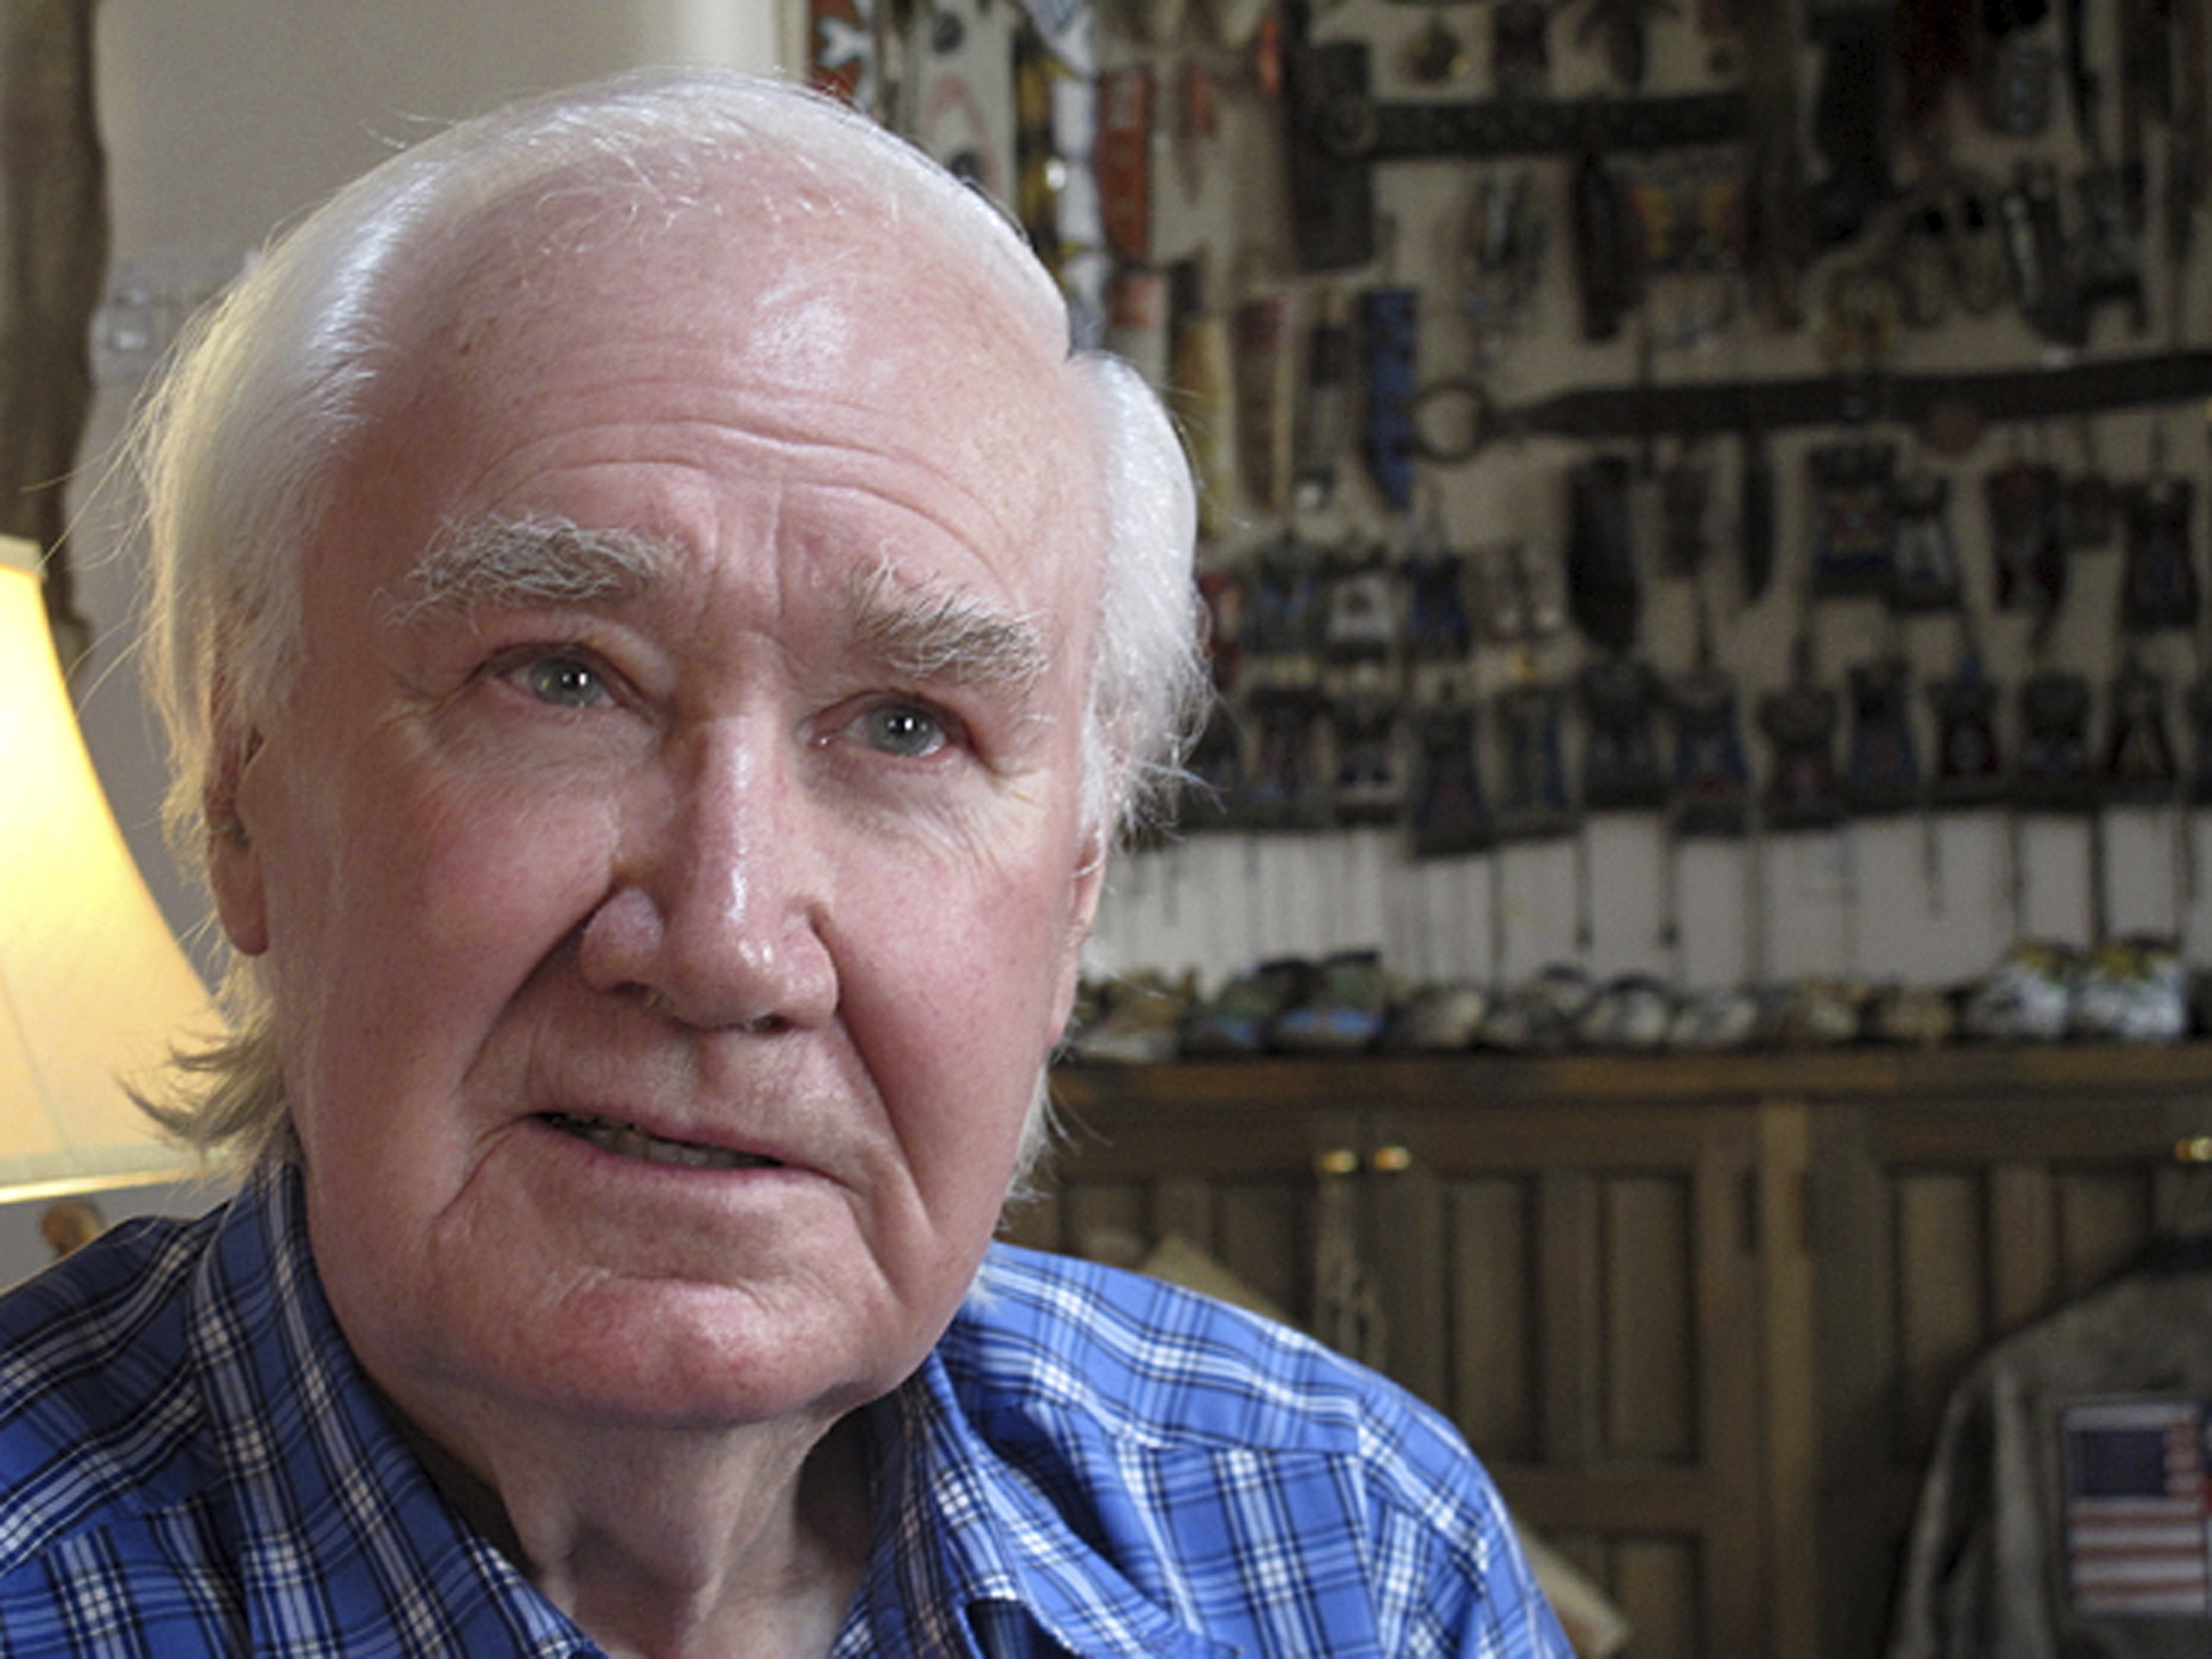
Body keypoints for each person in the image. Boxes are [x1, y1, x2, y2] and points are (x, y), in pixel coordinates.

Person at [0, 69, 1571, 1658]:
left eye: (905, 727)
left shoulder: (1357, 1559)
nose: (728, 944)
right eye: (561, 677)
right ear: (241, 783)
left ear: (1079, 884)